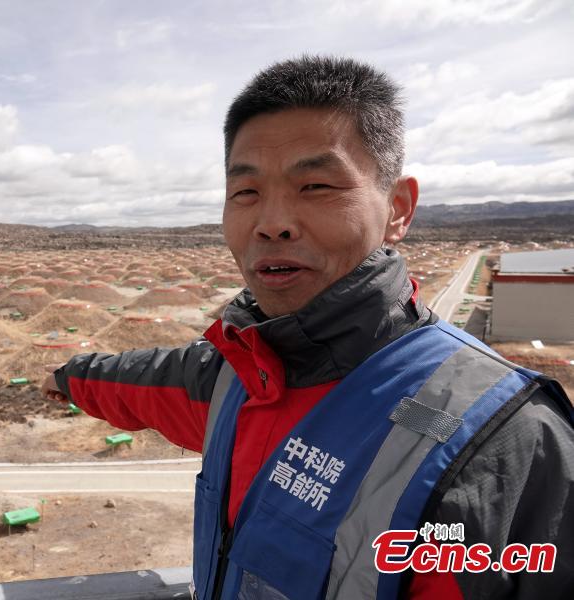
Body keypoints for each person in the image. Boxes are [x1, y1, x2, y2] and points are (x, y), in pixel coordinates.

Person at [41, 55, 574, 600]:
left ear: (397, 208)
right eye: (245, 193)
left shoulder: (508, 441)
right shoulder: (233, 376)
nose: (271, 223)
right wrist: (64, 377)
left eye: (316, 185)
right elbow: (139, 379)